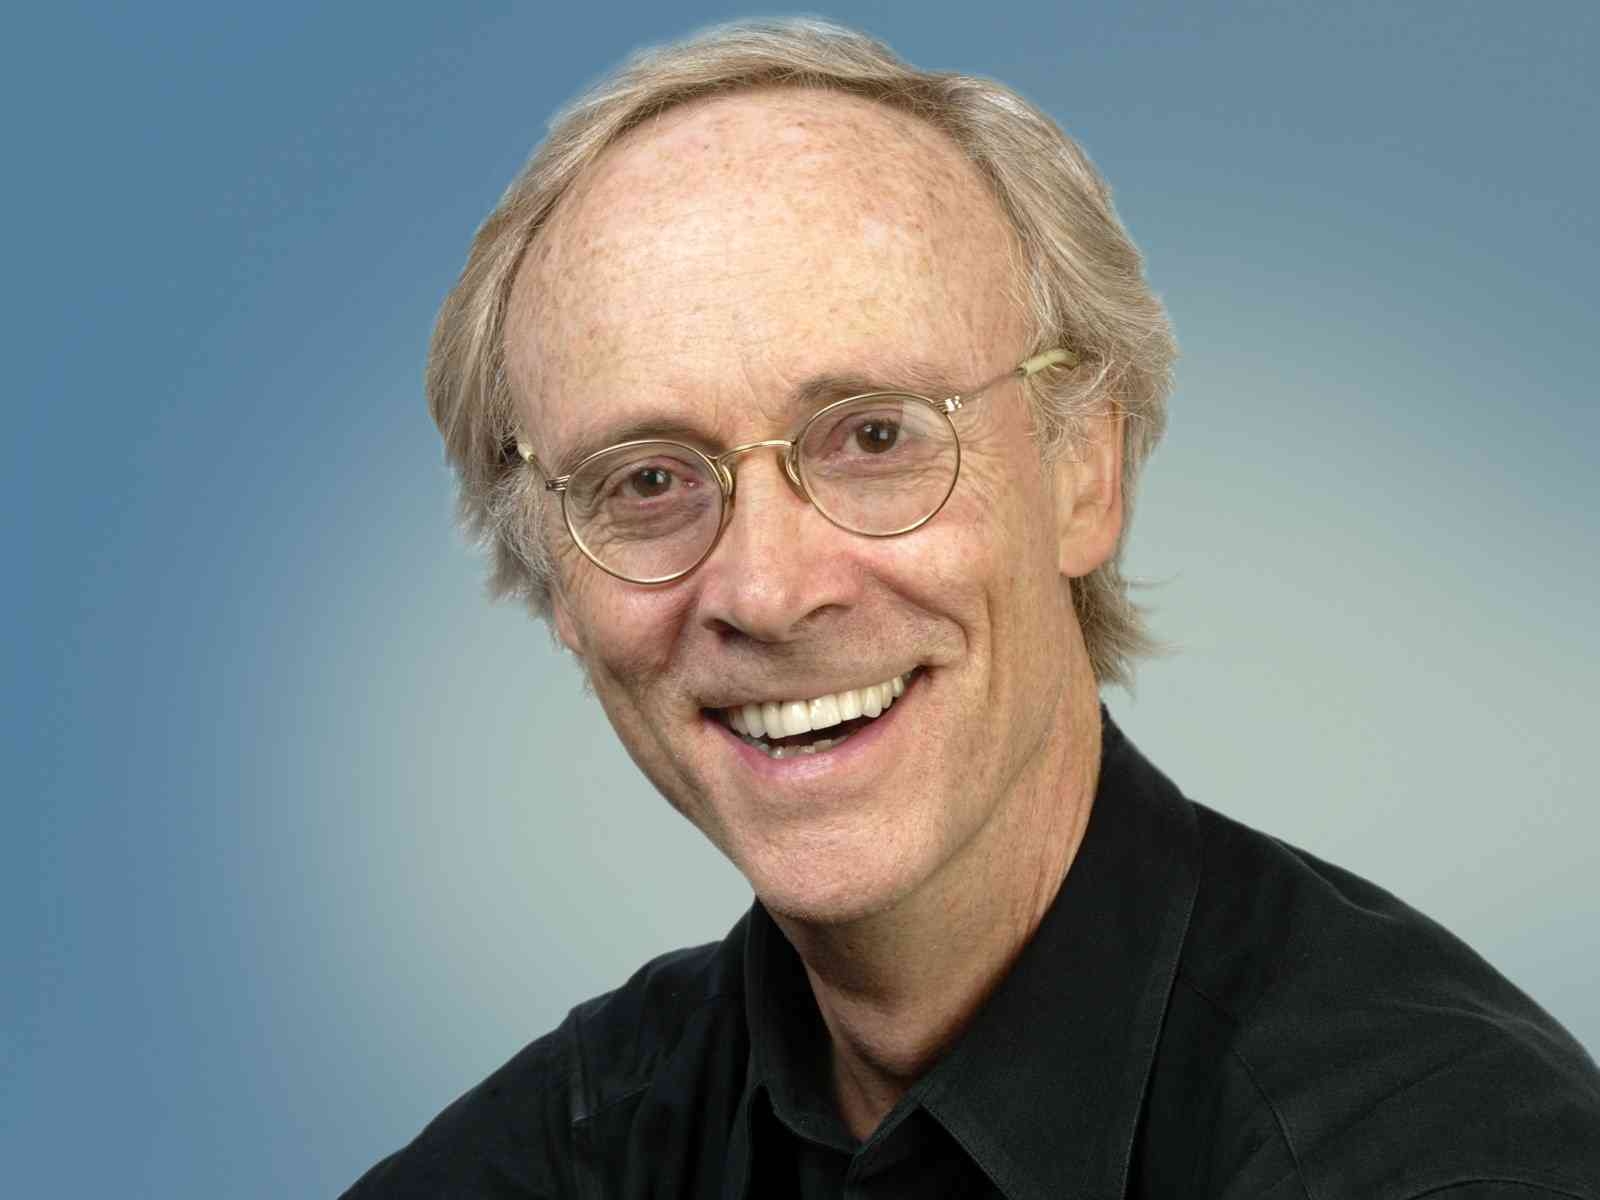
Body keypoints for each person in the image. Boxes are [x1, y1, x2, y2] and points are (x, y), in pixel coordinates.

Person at [344, 19, 1600, 1198]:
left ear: (1083, 472)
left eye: (874, 437)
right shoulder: (578, 1145)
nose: (768, 591)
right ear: (555, 583)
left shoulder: (1433, 1157)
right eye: (649, 481)